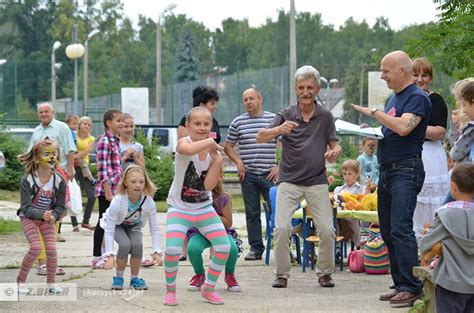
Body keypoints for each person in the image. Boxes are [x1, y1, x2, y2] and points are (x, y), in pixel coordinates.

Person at [352, 50, 431, 307]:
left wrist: (376, 113)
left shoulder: (418, 98)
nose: (383, 75)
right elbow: (391, 128)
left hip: (405, 170)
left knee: (400, 227)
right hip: (386, 170)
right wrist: (373, 130)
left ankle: (412, 286)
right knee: (386, 229)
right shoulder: (393, 98)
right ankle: (400, 283)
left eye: (386, 71)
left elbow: (404, 127)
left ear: (402, 71)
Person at [256, 65, 341, 289]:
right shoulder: (286, 114)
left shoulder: (325, 116)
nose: (306, 91)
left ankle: (325, 273)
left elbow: (334, 145)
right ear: (296, 89)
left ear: (317, 88)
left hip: (316, 181)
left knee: (326, 230)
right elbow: (260, 136)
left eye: (310, 87)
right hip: (289, 180)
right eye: (301, 87)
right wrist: (279, 129)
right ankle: (282, 274)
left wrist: (334, 153)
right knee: (281, 228)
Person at [163, 107, 230, 306]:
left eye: (206, 124)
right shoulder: (184, 143)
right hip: (178, 209)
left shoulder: (212, 154)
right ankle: (170, 291)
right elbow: (189, 150)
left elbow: (208, 186)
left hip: (203, 209)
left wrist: (217, 159)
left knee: (224, 246)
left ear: (211, 125)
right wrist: (212, 141)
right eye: (197, 124)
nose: (201, 127)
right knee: (173, 250)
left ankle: (208, 289)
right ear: (188, 126)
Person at [224, 86, 278, 261]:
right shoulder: (238, 122)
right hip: (248, 175)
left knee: (277, 211)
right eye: (245, 99)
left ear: (260, 99)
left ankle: (282, 246)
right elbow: (228, 147)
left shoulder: (274, 120)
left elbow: (288, 144)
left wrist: (279, 166)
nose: (248, 102)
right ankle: (256, 248)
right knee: (252, 212)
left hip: (270, 175)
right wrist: (238, 161)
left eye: (251, 98)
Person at [419, 163, 474, 313]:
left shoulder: (445, 214)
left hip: (451, 282)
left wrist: (428, 251)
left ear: (453, 187)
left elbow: (426, 242)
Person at [176, 85, 221, 262]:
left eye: (206, 124)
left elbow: (216, 149)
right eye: (212, 103)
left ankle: (212, 248)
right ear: (202, 103)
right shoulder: (185, 121)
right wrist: (209, 144)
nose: (215, 106)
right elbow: (186, 147)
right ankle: (183, 249)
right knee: (187, 211)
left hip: (209, 171)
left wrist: (217, 164)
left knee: (209, 208)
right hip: (190, 173)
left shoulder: (214, 122)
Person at [16, 138, 66, 294]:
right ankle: (20, 283)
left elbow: (60, 206)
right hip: (29, 217)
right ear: (37, 159)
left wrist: (55, 215)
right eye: (47, 154)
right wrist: (41, 214)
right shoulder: (28, 180)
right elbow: (25, 207)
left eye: (54, 153)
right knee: (36, 247)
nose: (52, 157)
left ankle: (51, 284)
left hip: (47, 219)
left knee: (51, 249)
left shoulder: (59, 180)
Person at [101, 165, 163, 290]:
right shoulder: (118, 201)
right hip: (116, 225)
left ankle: (134, 278)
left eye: (141, 182)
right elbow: (109, 229)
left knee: (137, 245)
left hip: (133, 225)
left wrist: (157, 250)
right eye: (133, 181)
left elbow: (155, 228)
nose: (138, 185)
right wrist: (110, 254)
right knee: (125, 244)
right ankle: (118, 278)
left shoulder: (148, 201)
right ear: (125, 183)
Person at [411, 58, 450, 239]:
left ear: (430, 78)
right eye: (415, 74)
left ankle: (432, 240)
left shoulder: (435, 100)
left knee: (430, 200)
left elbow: (440, 132)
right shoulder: (404, 98)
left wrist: (410, 126)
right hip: (410, 154)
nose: (419, 79)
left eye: (424, 75)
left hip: (430, 155)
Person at [29, 103, 76, 241]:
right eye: (41, 112)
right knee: (41, 200)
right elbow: (31, 151)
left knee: (58, 201)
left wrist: (70, 169)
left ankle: (56, 231)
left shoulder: (62, 127)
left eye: (46, 112)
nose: (43, 114)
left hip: (58, 171)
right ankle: (42, 229)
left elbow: (70, 149)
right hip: (40, 173)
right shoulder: (36, 131)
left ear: (53, 112)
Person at [186, 174, 241, 292]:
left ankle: (230, 275)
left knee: (232, 249)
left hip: (221, 232)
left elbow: (228, 223)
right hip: (200, 232)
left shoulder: (223, 198)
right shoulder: (193, 198)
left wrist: (211, 214)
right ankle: (199, 274)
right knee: (193, 249)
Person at [92, 109, 124, 269]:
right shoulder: (104, 141)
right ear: (108, 123)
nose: (122, 124)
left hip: (116, 189)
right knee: (102, 222)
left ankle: (107, 253)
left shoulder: (115, 141)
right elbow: (102, 169)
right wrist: (108, 190)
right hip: (107, 190)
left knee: (110, 222)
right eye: (118, 121)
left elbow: (117, 167)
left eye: (122, 121)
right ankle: (97, 255)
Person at [333, 160, 364, 244]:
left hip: (353, 220)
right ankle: (337, 247)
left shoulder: (361, 189)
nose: (346, 177)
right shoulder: (338, 189)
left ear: (357, 174)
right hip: (339, 219)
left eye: (350, 174)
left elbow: (363, 204)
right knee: (333, 221)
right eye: (344, 174)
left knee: (348, 221)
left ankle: (358, 245)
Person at [74, 116, 97, 231]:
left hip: (83, 168)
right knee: (71, 194)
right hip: (71, 167)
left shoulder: (91, 139)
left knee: (92, 195)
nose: (87, 126)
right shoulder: (73, 135)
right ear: (79, 125)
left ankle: (85, 221)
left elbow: (87, 152)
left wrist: (74, 156)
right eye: (85, 124)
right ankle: (74, 224)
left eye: (89, 124)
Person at [450, 80, 474, 164]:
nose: (464, 110)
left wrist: (454, 126)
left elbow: (456, 153)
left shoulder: (471, 128)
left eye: (464, 105)